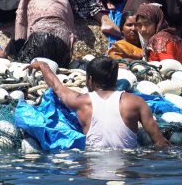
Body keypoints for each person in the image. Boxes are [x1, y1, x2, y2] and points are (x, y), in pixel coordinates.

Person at [28, 57, 168, 150]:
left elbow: (57, 86)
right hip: (128, 166)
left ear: (89, 79)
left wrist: (42, 65)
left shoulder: (81, 102)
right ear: (115, 79)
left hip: (92, 165)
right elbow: (160, 142)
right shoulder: (136, 102)